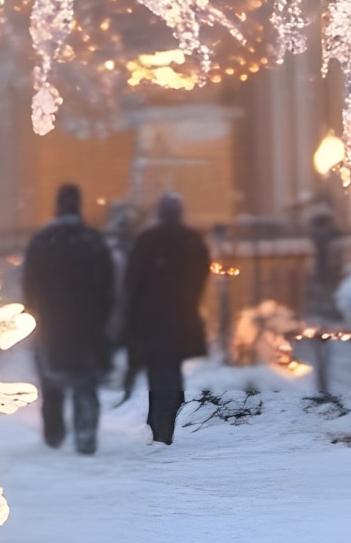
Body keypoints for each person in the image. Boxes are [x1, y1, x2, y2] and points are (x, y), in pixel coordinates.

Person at [20, 181, 116, 455]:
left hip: (52, 324)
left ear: (58, 206)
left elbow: (30, 286)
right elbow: (108, 286)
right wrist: (103, 318)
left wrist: (36, 313)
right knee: (84, 381)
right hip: (88, 325)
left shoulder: (43, 242)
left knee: (52, 384)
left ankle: (54, 436)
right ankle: (85, 435)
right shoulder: (94, 242)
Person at [119, 190, 210, 445]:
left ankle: (161, 428)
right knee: (172, 373)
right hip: (182, 320)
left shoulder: (148, 240)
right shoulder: (193, 240)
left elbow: (131, 282)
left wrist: (132, 317)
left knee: (158, 375)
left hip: (153, 321)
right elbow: (201, 278)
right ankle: (168, 423)